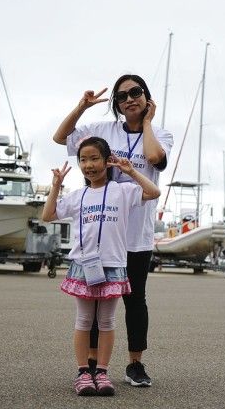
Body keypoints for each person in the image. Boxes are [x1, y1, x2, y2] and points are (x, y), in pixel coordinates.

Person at [53, 74, 173, 387]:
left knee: (136, 300)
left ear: (147, 97)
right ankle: (93, 365)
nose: (129, 99)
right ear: (116, 105)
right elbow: (59, 137)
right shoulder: (102, 130)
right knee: (94, 300)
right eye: (122, 96)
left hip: (137, 235)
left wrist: (147, 123)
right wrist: (82, 107)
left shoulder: (160, 134)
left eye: (136, 92)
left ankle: (135, 364)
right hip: (101, 236)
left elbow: (155, 158)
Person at [42, 136, 160, 396]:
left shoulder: (122, 190)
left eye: (94, 158)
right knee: (84, 320)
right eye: (83, 159)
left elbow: (153, 192)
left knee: (107, 321)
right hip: (84, 265)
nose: (88, 165)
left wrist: (132, 172)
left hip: (113, 265)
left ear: (107, 161)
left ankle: (102, 372)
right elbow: (48, 215)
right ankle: (84, 372)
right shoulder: (78, 195)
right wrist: (56, 186)